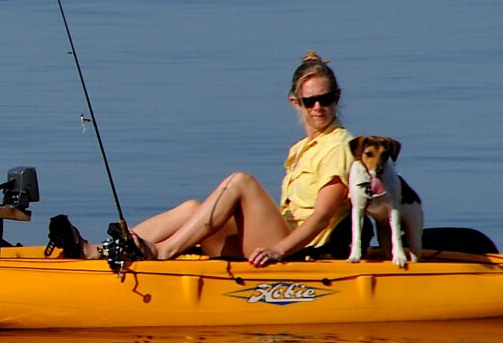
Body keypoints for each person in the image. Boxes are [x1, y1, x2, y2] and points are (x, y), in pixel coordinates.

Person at [133, 52, 354, 266]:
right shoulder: (301, 148)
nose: (318, 107)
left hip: (298, 251)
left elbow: (322, 217)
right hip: (276, 238)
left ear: (337, 97)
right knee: (192, 209)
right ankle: (115, 247)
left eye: (325, 99)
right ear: (295, 102)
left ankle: (164, 250)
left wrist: (278, 250)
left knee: (241, 182)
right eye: (310, 101)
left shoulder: (338, 146)